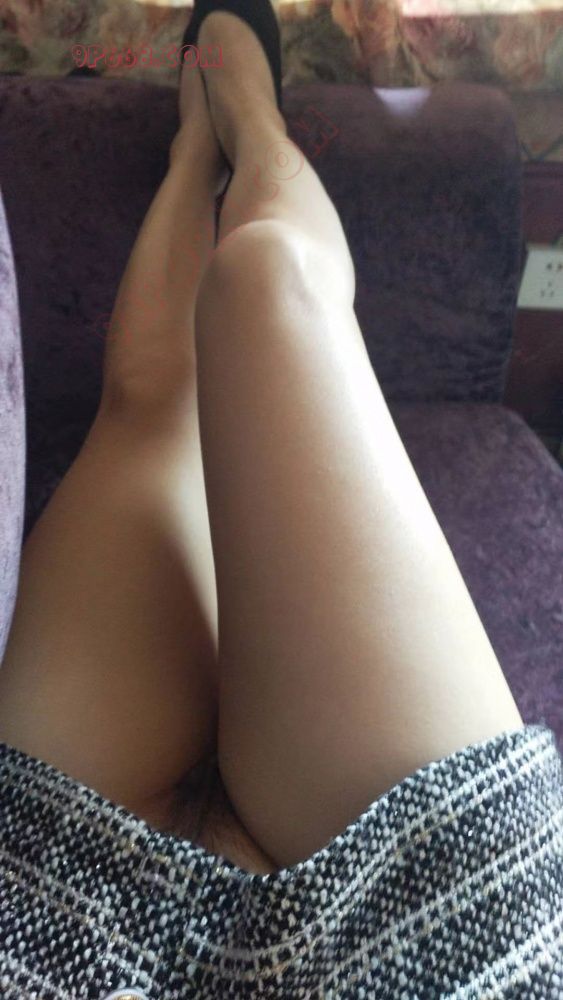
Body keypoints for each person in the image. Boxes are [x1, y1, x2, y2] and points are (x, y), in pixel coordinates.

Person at [0, 2, 561, 998]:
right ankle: (244, 124)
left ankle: (199, 146)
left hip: (47, 931)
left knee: (151, 404)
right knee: (266, 279)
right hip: (435, 936)